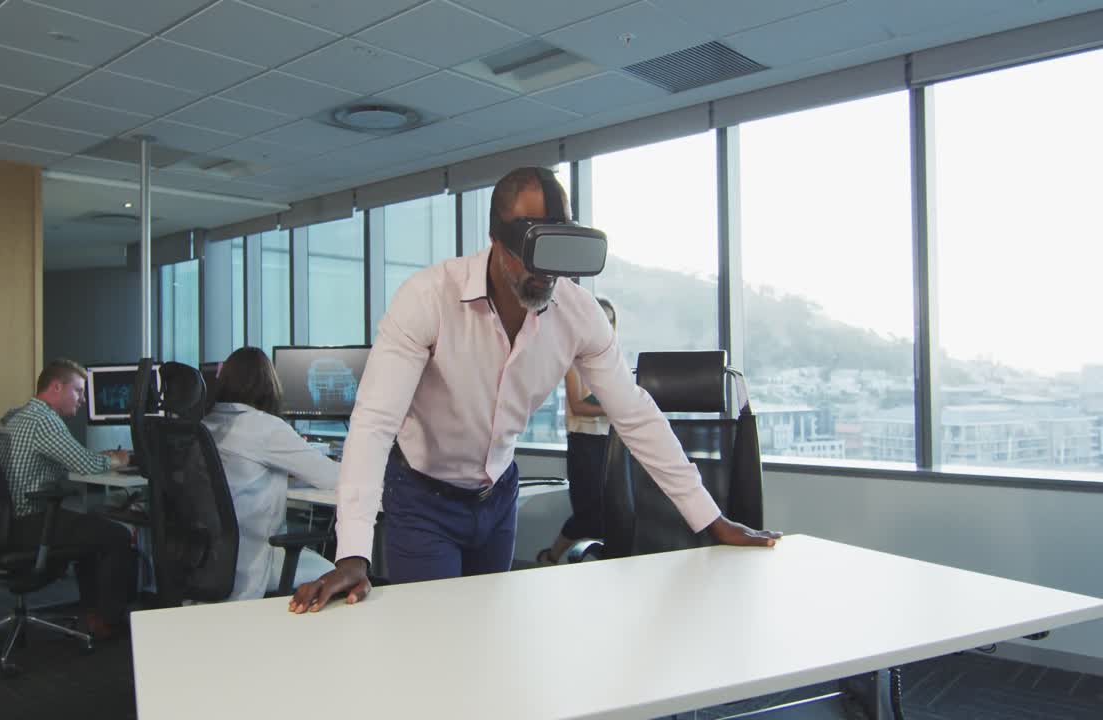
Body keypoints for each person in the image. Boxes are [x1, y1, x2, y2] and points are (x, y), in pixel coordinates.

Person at [291, 166, 780, 614]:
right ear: (496, 242)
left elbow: (633, 414)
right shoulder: (428, 299)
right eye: (529, 251)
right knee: (432, 642)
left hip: (497, 496)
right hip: (423, 498)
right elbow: (375, 421)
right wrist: (352, 552)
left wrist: (712, 519)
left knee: (489, 633)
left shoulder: (578, 315)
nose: (542, 272)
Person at [0, 359, 135, 640]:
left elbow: (69, 459)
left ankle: (94, 611)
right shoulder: (44, 421)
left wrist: (98, 458)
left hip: (4, 522)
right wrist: (123, 457)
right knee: (116, 535)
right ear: (56, 387)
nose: (83, 399)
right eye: (79, 391)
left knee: (91, 529)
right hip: (31, 521)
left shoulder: (13, 416)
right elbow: (85, 464)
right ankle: (107, 621)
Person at [201, 346, 338, 600]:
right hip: (252, 563)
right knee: (335, 573)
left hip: (208, 562)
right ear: (268, 384)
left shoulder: (206, 423)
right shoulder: (266, 428)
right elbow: (332, 478)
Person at [538, 297, 617, 565]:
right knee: (587, 514)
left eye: (610, 320)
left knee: (608, 511)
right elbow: (578, 406)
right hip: (584, 443)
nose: (605, 325)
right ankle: (551, 556)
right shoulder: (573, 359)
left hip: (609, 442)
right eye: (600, 319)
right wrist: (614, 406)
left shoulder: (611, 360)